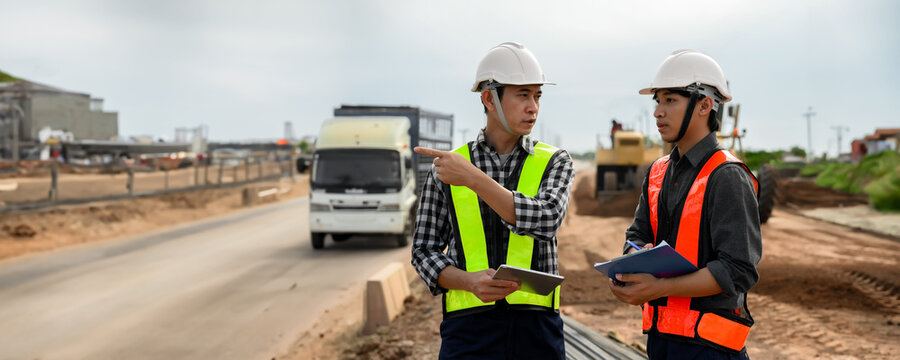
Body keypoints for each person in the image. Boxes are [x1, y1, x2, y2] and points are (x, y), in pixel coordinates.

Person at [411, 42, 574, 359]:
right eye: (523, 95)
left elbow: (547, 220)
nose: (533, 107)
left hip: (537, 329)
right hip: (468, 331)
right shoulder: (448, 168)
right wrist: (468, 281)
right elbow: (423, 251)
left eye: (537, 96)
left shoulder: (554, 161)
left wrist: (473, 178)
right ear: (489, 99)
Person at [608, 50, 761, 359]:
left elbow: (738, 270)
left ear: (704, 105)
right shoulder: (657, 171)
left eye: (670, 100)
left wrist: (659, 288)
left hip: (711, 349)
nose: (658, 112)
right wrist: (631, 265)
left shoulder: (727, 175)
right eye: (657, 101)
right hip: (661, 342)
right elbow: (636, 235)